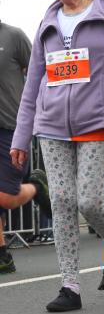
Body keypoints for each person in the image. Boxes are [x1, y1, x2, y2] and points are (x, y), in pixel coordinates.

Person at [10, 0, 104, 311]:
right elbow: (32, 84)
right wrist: (21, 137)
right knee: (63, 202)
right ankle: (70, 286)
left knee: (87, 199)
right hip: (51, 126)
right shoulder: (47, 23)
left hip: (98, 121)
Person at [0, 18, 51, 272]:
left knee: (6, 197)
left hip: (10, 126)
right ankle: (3, 256)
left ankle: (36, 185)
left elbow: (38, 75)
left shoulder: (13, 36)